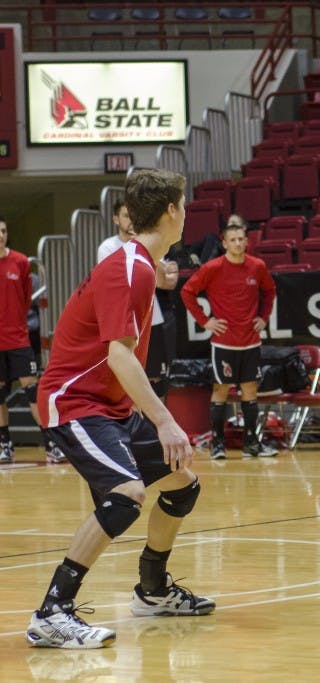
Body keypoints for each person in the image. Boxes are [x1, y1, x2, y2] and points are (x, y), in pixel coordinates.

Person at [26, 169, 214, 650]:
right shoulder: (132, 267)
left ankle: (152, 591)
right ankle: (52, 612)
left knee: (181, 485)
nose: (187, 212)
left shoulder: (143, 265)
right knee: (125, 495)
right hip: (72, 401)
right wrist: (166, 419)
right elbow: (119, 354)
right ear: (171, 210)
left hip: (108, 404)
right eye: (185, 204)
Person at [180, 217, 277, 461]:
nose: (237, 243)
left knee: (250, 391)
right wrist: (205, 321)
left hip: (251, 340)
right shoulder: (212, 268)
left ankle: (252, 444)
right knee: (220, 389)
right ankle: (218, 444)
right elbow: (187, 292)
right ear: (224, 243)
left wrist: (264, 317)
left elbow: (270, 291)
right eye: (232, 240)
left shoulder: (257, 266)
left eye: (241, 239)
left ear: (247, 241)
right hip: (224, 342)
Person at [97, 200, 179, 400]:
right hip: (125, 322)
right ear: (116, 219)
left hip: (153, 320)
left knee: (157, 380)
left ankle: (156, 430)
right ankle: (135, 430)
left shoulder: (149, 244)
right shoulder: (108, 247)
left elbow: (168, 283)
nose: (131, 221)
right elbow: (124, 283)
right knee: (128, 381)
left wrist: (150, 254)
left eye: (135, 215)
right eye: (126, 216)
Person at [0, 218, 65, 464]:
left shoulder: (20, 261)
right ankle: (5, 445)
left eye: (4, 231)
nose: (1, 235)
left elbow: (26, 298)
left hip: (18, 340)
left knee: (32, 391)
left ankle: (50, 443)